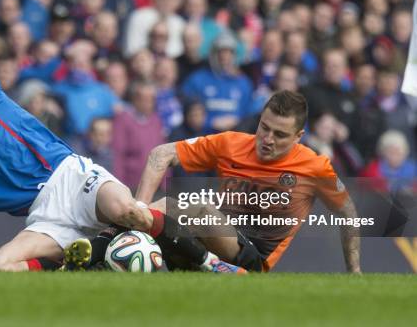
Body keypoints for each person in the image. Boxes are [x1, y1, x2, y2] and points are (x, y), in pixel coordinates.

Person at [0, 33, 242, 273]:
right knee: (1, 265)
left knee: (130, 213)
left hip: (71, 178)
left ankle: (212, 265)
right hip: (43, 216)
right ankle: (90, 259)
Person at [70, 91, 361, 273]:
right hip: (201, 243)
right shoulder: (232, 143)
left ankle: (99, 245)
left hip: (251, 258)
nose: (267, 139)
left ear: (298, 137)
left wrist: (355, 271)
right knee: (151, 226)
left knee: (194, 208)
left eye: (280, 135)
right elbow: (161, 154)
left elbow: (348, 212)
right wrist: (140, 207)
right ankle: (85, 260)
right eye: (264, 128)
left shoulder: (315, 166)